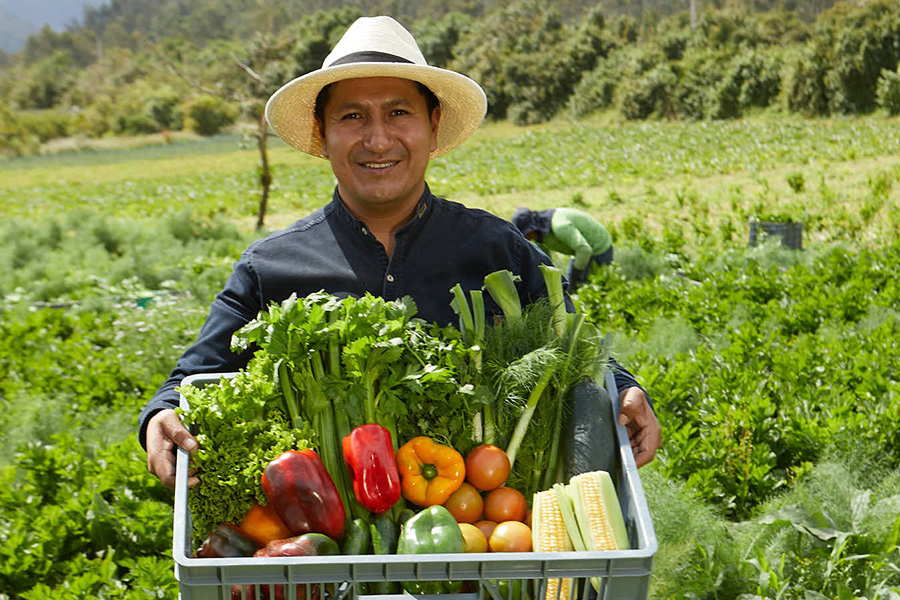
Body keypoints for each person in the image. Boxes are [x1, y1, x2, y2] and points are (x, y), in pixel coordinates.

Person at [140, 16, 661, 490]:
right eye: (352, 116)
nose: (378, 138)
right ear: (323, 135)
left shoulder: (500, 249)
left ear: (433, 126)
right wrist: (161, 414)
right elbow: (192, 377)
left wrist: (623, 386)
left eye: (398, 113)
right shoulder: (268, 269)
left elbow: (575, 346)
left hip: (482, 536)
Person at [512, 207, 613, 292]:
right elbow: (543, 259)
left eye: (526, 234)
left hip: (598, 247)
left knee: (592, 288)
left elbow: (584, 249)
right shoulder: (539, 234)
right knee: (569, 289)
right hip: (579, 250)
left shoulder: (560, 226)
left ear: (532, 228)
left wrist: (576, 275)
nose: (527, 238)